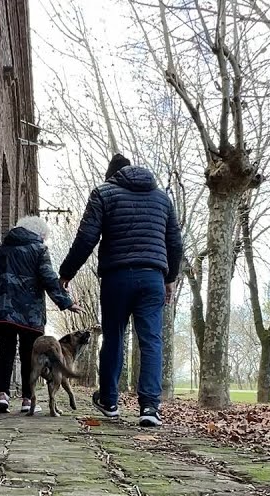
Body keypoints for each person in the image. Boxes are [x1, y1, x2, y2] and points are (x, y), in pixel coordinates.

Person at [59, 153, 183, 427]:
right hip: (153, 277)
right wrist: (170, 277)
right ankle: (150, 407)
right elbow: (175, 243)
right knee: (151, 340)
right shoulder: (162, 199)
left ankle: (109, 401)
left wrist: (66, 272)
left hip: (117, 277)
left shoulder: (104, 193)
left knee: (114, 336)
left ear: (111, 175)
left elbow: (87, 237)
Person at [0, 215, 81, 414]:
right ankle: (27, 400)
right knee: (29, 354)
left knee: (6, 351)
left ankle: (2, 395)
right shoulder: (39, 250)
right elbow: (48, 278)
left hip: (2, 309)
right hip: (29, 312)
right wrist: (67, 302)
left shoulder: (2, 250)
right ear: (40, 234)